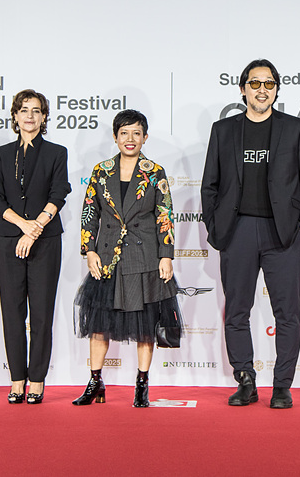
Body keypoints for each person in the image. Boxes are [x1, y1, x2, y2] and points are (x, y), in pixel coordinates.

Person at [200, 58, 300, 409]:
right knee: (237, 311)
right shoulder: (223, 130)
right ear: (243, 89)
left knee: (288, 313)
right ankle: (246, 380)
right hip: (237, 231)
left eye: (268, 84)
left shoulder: (295, 129)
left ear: (276, 90)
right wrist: (216, 227)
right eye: (255, 83)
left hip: (282, 232)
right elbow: (209, 186)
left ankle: (282, 385)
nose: (262, 90)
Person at [73, 109, 177, 408]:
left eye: (136, 133)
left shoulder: (154, 172)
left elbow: (165, 215)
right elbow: (89, 212)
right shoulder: (101, 171)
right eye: (124, 133)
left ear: (145, 137)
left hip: (144, 257)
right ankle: (95, 382)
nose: (130, 139)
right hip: (106, 259)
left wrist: (166, 256)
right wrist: (89, 250)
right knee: (99, 325)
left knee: (145, 326)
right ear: (115, 137)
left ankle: (142, 384)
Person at [0, 90, 71, 404]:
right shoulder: (2, 153)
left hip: (45, 241)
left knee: (41, 314)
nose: (30, 116)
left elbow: (59, 193)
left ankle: (37, 380)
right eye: (24, 110)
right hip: (9, 240)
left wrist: (34, 229)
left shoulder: (56, 153)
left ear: (44, 116)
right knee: (12, 312)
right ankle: (17, 380)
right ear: (15, 115)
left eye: (36, 110)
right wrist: (23, 225)